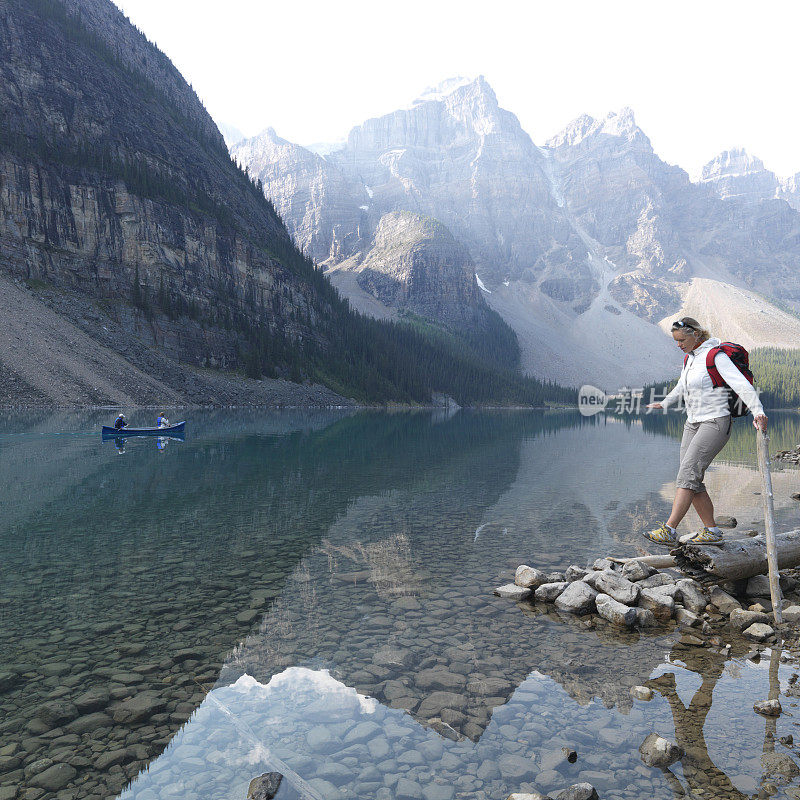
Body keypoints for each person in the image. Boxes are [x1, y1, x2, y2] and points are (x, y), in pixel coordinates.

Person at [642, 316, 767, 545]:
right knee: (692, 479)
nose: (678, 345)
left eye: (682, 340)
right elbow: (682, 386)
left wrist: (758, 410)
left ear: (696, 334)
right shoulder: (689, 359)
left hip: (715, 422)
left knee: (687, 474)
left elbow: (741, 384)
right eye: (676, 341)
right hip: (693, 422)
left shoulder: (715, 356)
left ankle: (669, 530)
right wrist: (664, 403)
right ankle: (712, 531)